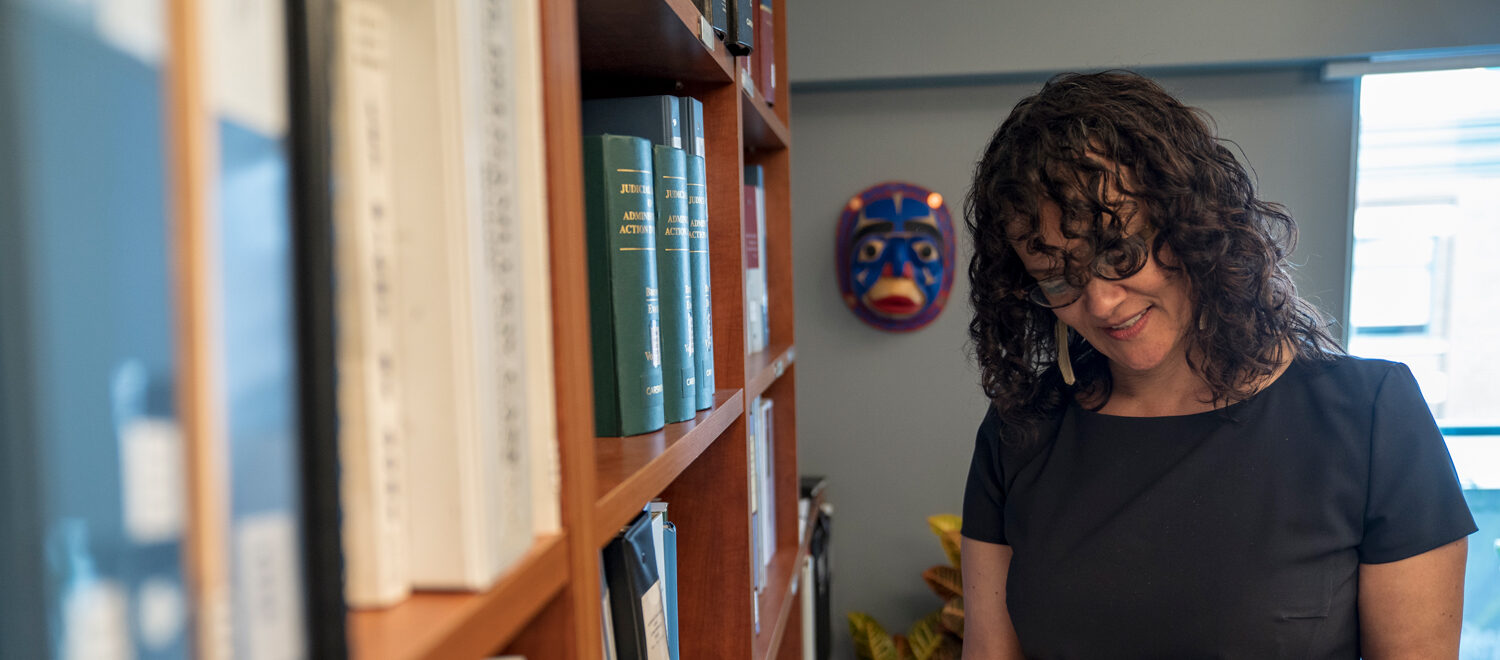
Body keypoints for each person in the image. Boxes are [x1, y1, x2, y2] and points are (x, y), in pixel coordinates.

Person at [959, 71, 1476, 659]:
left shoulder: (1373, 419)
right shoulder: (1020, 433)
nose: (1100, 301)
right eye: (1058, 275)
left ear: (1192, 222)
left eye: (1120, 252)